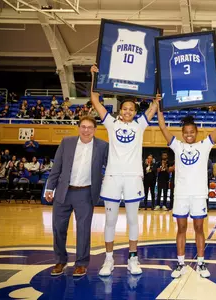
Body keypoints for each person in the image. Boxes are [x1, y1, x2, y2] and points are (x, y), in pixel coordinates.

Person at [90, 65, 160, 276]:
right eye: (125, 109)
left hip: (133, 178)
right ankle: (108, 260)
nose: (128, 111)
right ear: (120, 111)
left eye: (131, 109)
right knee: (110, 221)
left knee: (132, 220)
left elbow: (153, 108)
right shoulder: (111, 123)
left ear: (135, 112)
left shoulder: (140, 125)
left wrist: (156, 96)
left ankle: (133, 258)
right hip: (112, 177)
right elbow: (95, 100)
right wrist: (94, 76)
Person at [157, 92, 216, 278]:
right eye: (186, 132)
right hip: (181, 194)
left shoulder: (204, 145)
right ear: (182, 134)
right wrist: (158, 106)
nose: (189, 135)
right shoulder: (177, 146)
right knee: (180, 229)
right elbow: (162, 127)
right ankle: (180, 263)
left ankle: (201, 264)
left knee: (199, 229)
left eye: (192, 132)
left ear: (196, 133)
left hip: (198, 194)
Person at [44, 116, 108, 277]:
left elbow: (111, 166)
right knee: (58, 228)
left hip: (86, 193)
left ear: (95, 130)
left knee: (83, 230)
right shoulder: (67, 142)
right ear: (79, 128)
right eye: (83, 127)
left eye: (90, 127)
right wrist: (49, 187)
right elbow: (56, 166)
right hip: (63, 191)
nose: (86, 130)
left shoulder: (102, 146)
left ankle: (81, 263)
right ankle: (60, 260)